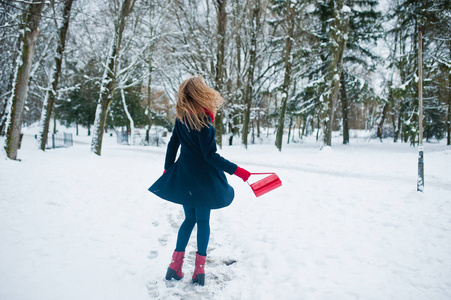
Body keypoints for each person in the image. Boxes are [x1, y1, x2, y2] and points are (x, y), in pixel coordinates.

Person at [148, 75, 251, 286]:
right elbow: (210, 156)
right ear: (201, 94)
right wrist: (238, 171)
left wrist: (169, 170)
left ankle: (174, 266)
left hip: (185, 177)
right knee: (203, 221)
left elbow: (172, 146)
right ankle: (199, 271)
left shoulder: (181, 119)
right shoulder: (204, 123)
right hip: (203, 181)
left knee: (188, 220)